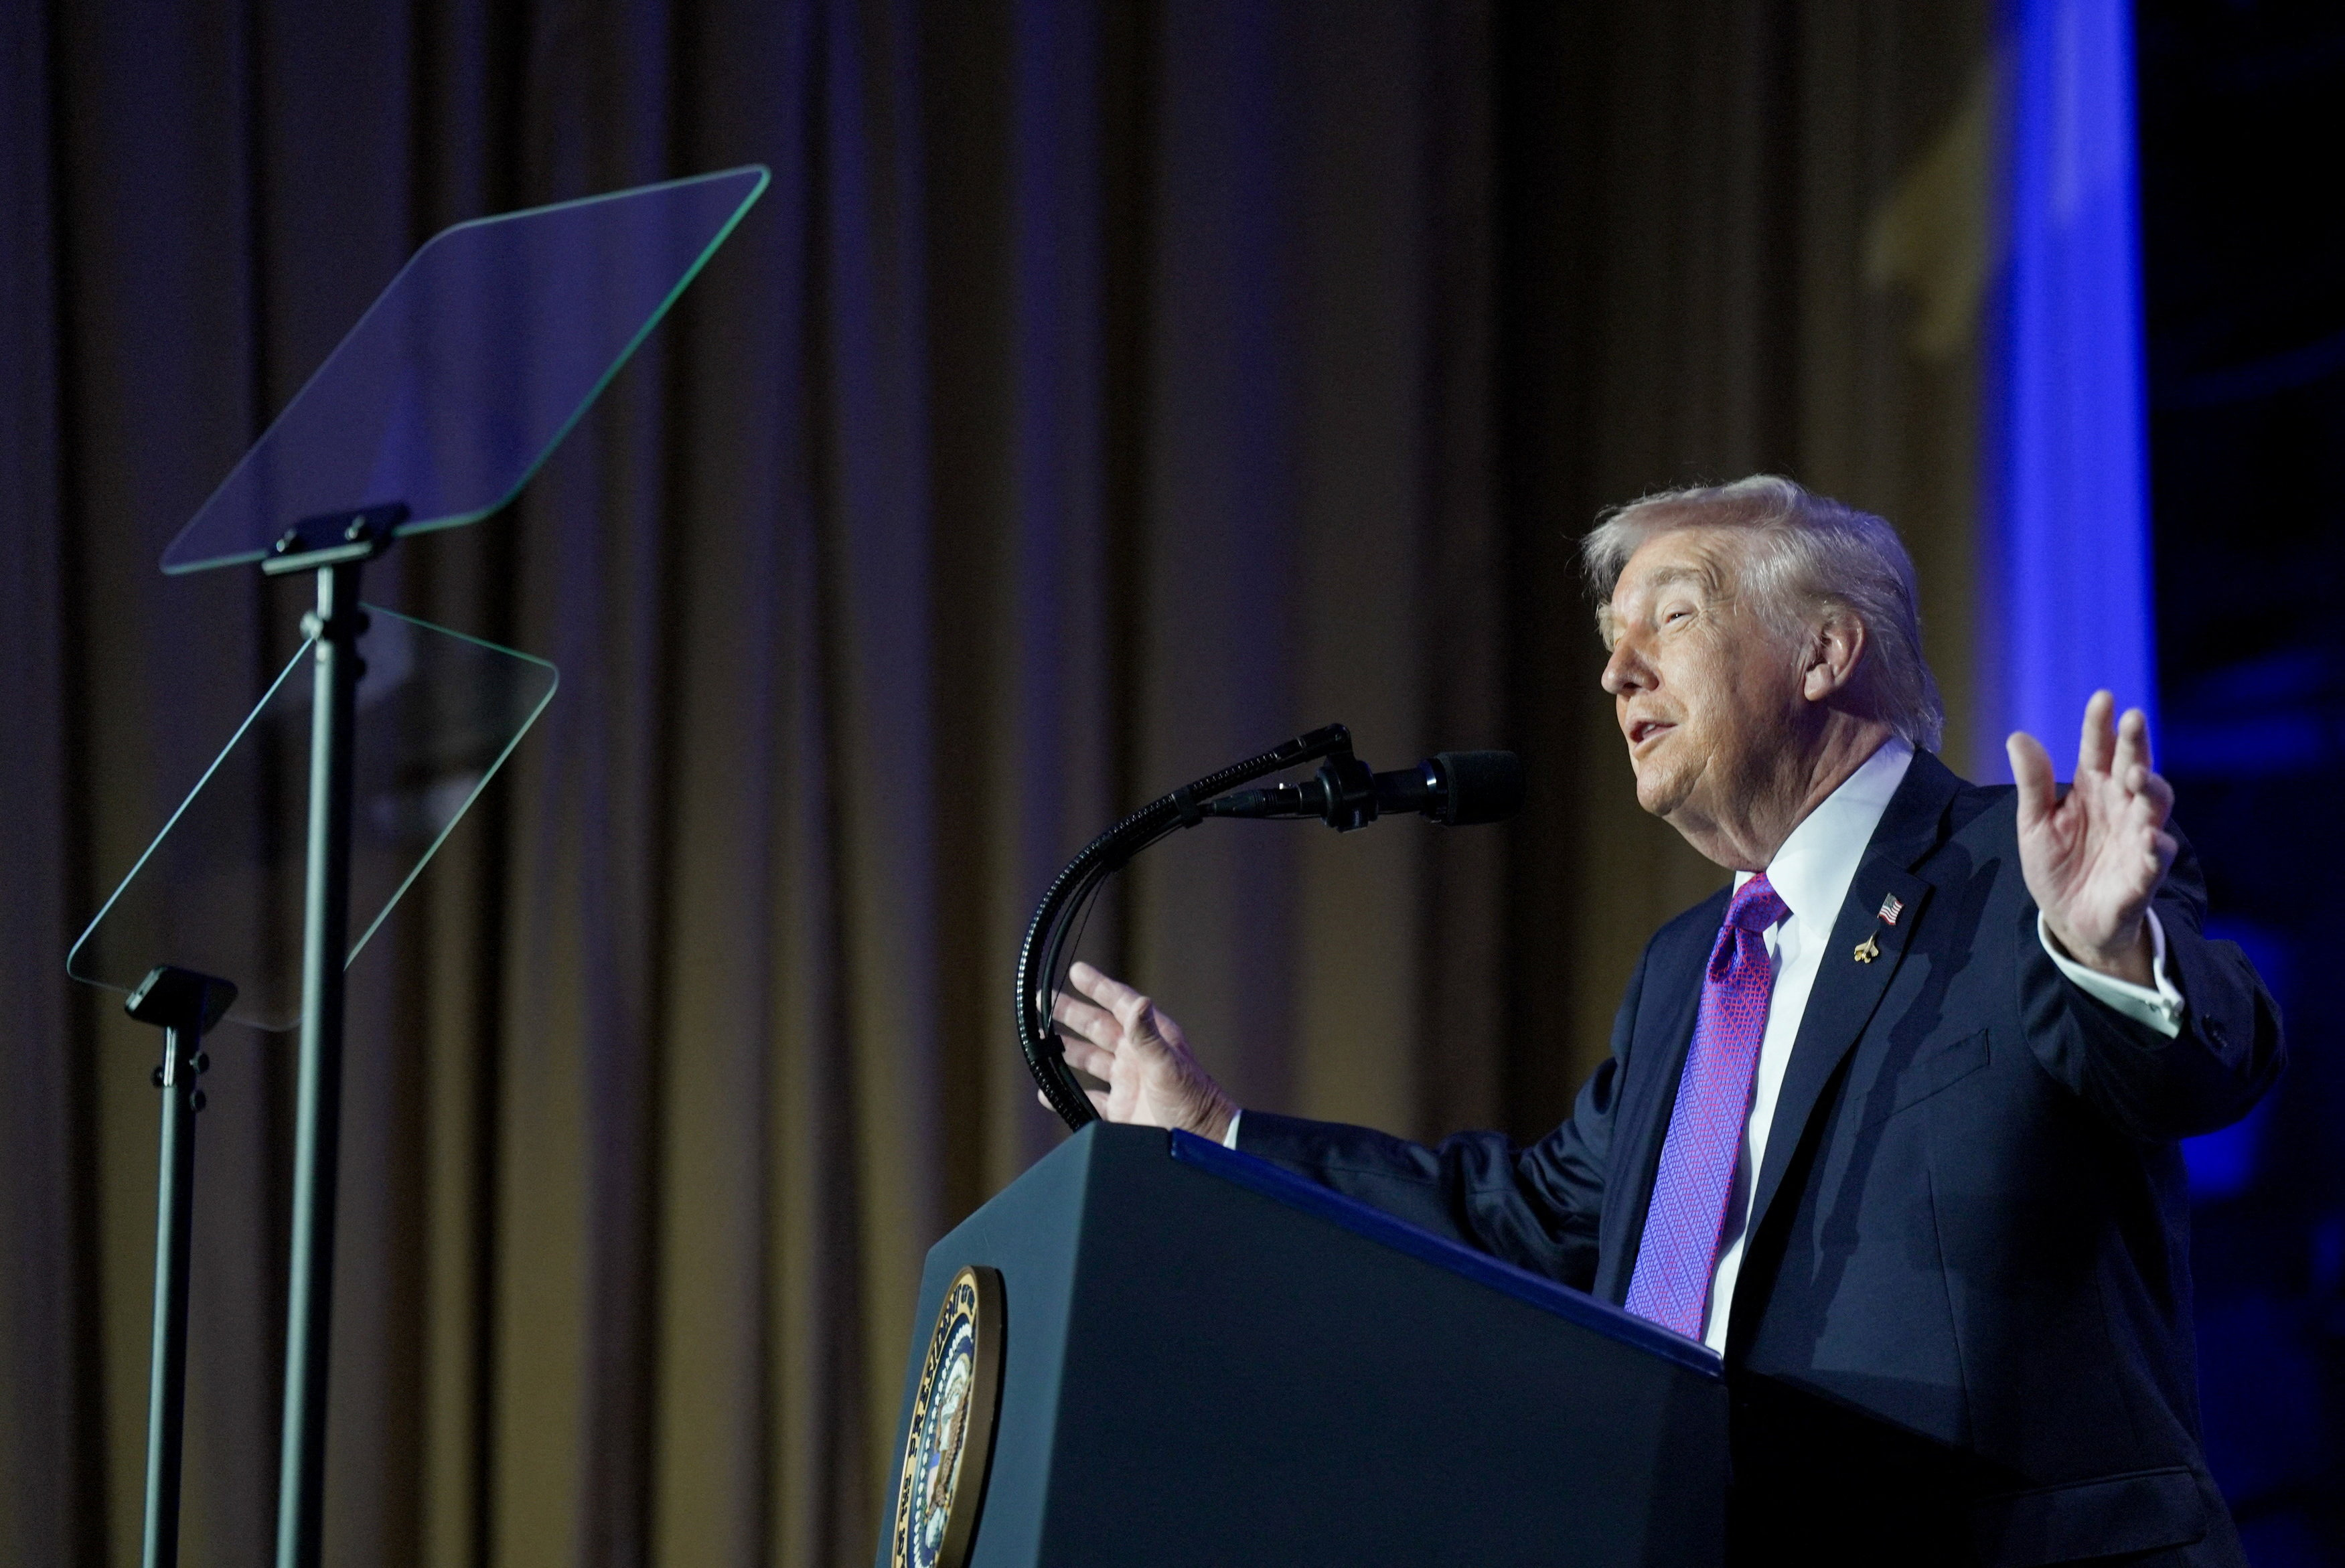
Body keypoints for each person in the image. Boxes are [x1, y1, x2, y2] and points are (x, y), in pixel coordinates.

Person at [1049, 477, 2281, 1566]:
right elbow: (1532, 1220)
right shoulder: (1689, 967)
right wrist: (1220, 1133)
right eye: (1610, 641)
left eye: (1672, 618)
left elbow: (2204, 1065)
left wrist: (2107, 953)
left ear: (1823, 651)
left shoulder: (2023, 866)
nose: (1616, 672)